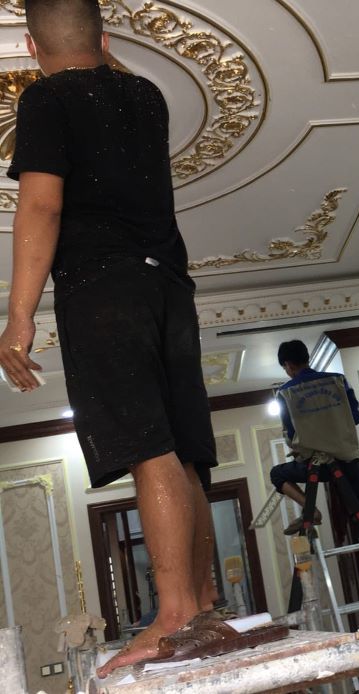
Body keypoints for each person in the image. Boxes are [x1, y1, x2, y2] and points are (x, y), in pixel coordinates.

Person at [0, 0, 219, 677]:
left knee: (145, 444)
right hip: (168, 288)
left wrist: (18, 316)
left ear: (31, 45)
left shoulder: (46, 99)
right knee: (182, 450)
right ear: (102, 37)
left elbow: (42, 203)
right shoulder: (146, 96)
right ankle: (202, 605)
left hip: (104, 287)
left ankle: (173, 616)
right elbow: (101, 68)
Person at [271, 340, 359, 534]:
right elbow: (356, 417)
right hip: (348, 461)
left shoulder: (285, 393)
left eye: (285, 367)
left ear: (288, 364)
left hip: (315, 467)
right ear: (307, 357)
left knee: (277, 474)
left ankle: (311, 511)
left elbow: (291, 436)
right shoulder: (338, 380)